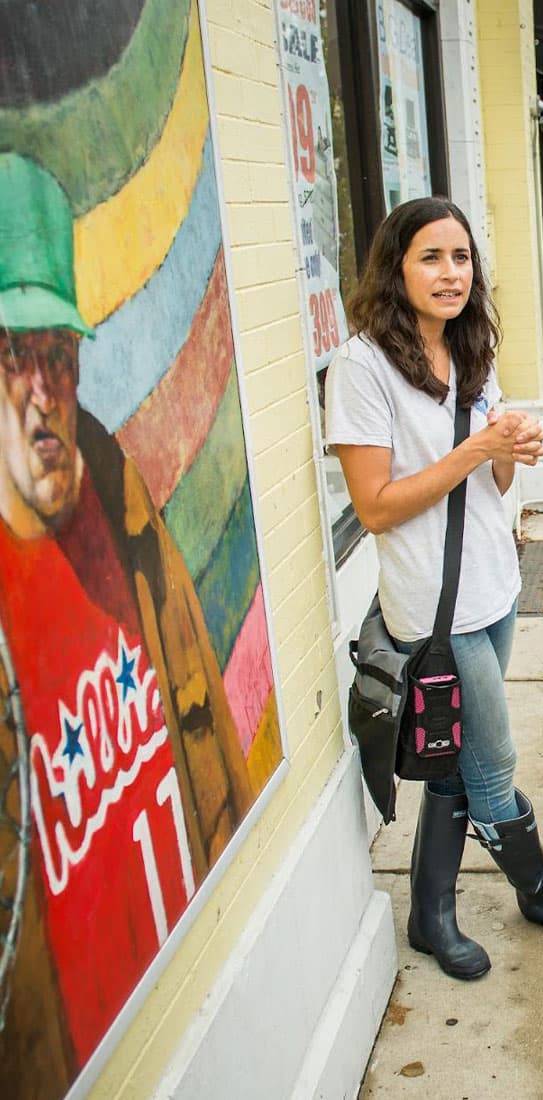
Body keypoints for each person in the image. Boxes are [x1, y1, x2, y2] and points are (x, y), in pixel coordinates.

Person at [0, 153, 255, 1091]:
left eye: (57, 356)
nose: (42, 392)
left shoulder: (121, 504)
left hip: (197, 965)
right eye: (11, 356)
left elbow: (210, 752)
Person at [327, 196, 543, 982]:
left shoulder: (466, 348)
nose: (450, 274)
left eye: (461, 258)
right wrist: (477, 448)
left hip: (493, 584)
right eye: (431, 257)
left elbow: (489, 480)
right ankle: (541, 888)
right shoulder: (362, 367)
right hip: (433, 606)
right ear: (395, 267)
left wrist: (512, 447)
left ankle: (430, 916)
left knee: (452, 760)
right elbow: (375, 505)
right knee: (492, 762)